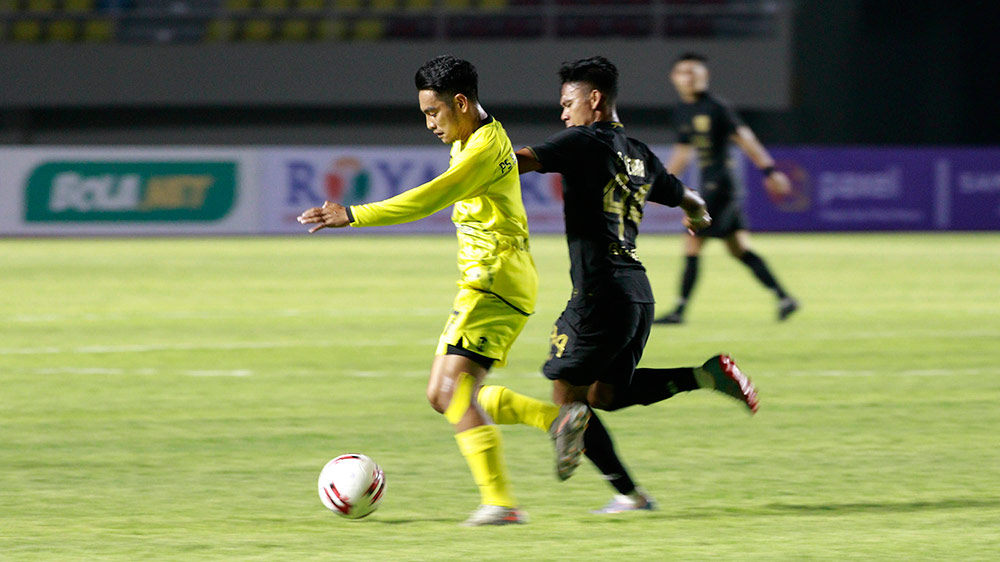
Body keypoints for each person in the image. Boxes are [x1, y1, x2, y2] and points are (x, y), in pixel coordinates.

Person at [296, 55, 589, 526]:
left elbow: (429, 197)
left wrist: (352, 214)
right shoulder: (474, 133)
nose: (430, 124)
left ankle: (500, 503)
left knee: (450, 390)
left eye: (434, 113)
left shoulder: (482, 152)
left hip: (493, 280)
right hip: (496, 280)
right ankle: (555, 421)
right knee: (447, 394)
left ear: (460, 102)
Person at [473, 56, 759, 514]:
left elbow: (517, 160)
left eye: (568, 104)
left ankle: (628, 492)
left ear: (594, 100)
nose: (563, 114)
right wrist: (696, 213)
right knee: (604, 394)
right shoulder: (639, 152)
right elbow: (685, 194)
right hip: (637, 294)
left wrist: (478, 129)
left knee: (567, 395)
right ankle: (705, 375)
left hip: (600, 292)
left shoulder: (582, 140)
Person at [654, 52, 799, 324]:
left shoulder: (717, 107)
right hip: (719, 187)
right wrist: (661, 184)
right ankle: (784, 298)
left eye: (694, 72)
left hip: (719, 186)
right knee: (738, 248)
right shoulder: (684, 110)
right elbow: (683, 153)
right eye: (683, 72)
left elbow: (745, 138)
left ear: (704, 77)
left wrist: (769, 171)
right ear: (674, 78)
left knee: (692, 242)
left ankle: (679, 311)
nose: (689, 77)